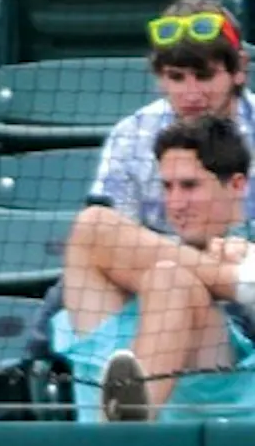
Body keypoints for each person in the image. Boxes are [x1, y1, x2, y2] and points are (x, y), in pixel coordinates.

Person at [44, 115, 255, 422]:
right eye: (167, 187)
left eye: (190, 186)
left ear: (237, 185)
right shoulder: (135, 253)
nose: (176, 203)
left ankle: (129, 427)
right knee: (94, 224)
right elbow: (36, 345)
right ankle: (242, 283)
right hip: (101, 428)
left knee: (171, 279)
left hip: (220, 414)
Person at [91, 0, 255, 234]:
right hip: (163, 257)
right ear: (160, 78)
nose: (191, 94)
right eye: (176, 77)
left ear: (239, 69)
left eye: (205, 76)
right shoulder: (131, 137)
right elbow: (108, 236)